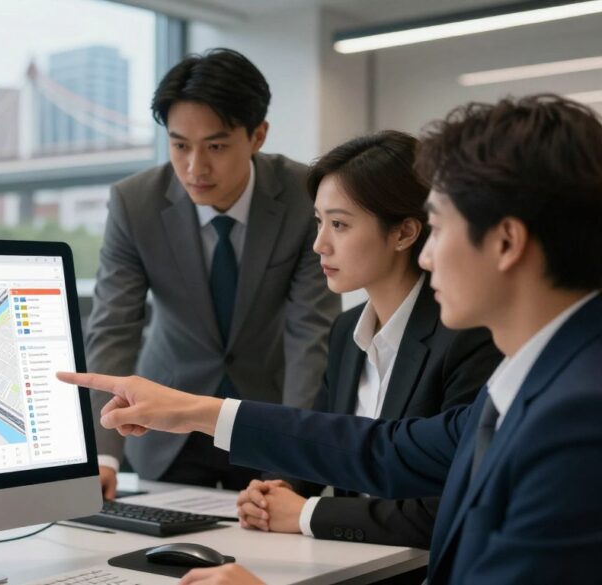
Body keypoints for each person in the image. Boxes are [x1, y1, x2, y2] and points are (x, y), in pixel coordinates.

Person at [61, 94, 602, 584]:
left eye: (438, 227)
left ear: (505, 241)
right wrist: (195, 411)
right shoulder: (532, 383)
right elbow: (382, 450)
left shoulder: (576, 421)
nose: (429, 256)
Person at [233, 131, 500, 559]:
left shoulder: (468, 336)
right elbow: (326, 436)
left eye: (339, 224)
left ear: (405, 233)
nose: (320, 244)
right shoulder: (346, 330)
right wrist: (278, 487)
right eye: (318, 222)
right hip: (346, 560)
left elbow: (444, 507)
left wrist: (306, 514)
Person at [86, 48, 340, 498]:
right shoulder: (135, 203)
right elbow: (114, 327)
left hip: (267, 422)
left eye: (216, 146)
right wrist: (103, 454)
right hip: (165, 429)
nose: (194, 168)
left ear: (258, 135)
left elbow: (311, 335)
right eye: (180, 144)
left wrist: (295, 456)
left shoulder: (304, 197)